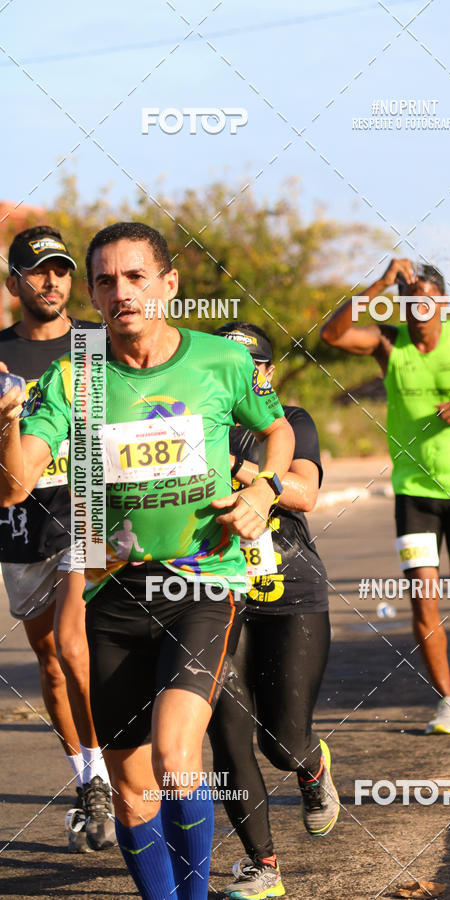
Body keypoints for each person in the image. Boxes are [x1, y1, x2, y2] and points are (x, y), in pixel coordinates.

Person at [0, 221, 294, 900]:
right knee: (133, 791)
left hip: (203, 581)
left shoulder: (220, 361)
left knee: (176, 757)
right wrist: (7, 418)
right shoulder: (77, 377)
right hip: (113, 590)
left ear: (169, 284)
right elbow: (14, 483)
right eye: (105, 281)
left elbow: (276, 429)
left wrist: (264, 489)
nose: (120, 292)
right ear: (95, 296)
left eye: (135, 277)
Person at [320, 257, 450, 735]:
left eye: (426, 298)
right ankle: (447, 702)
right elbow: (332, 336)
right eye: (408, 299)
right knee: (423, 597)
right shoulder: (389, 342)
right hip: (414, 493)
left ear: (442, 302)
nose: (418, 306)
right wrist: (379, 282)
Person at [208, 322, 338, 900]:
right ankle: (263, 865)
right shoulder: (196, 421)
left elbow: (305, 494)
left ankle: (310, 767)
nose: (243, 373)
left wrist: (236, 470)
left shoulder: (294, 422)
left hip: (290, 593)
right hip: (214, 594)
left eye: (253, 364)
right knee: (227, 731)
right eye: (228, 363)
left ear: (268, 373)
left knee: (280, 744)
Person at [1, 225, 114, 851]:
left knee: (77, 647)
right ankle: (87, 779)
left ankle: (114, 772)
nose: (53, 281)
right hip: (19, 518)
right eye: (39, 270)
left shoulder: (96, 346)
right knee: (49, 660)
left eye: (62, 270)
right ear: (13, 282)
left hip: (89, 508)